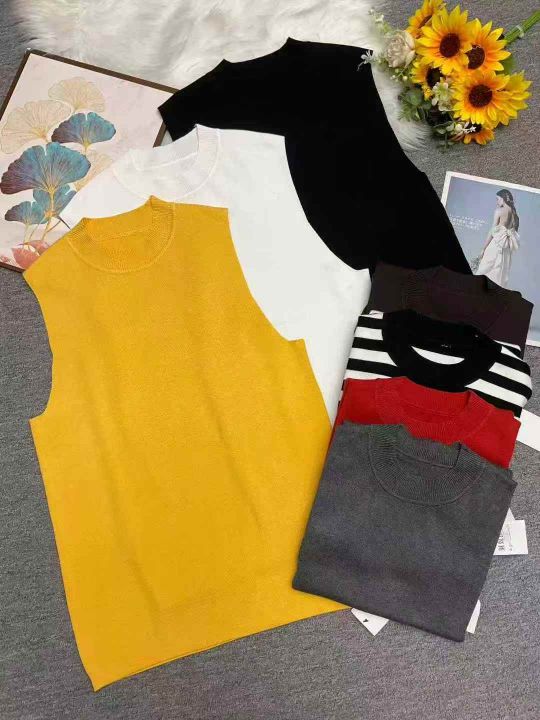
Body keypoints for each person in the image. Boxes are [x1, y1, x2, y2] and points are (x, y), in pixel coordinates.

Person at [477, 189, 520, 287]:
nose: (497, 202)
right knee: (499, 273)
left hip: (496, 244)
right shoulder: (515, 215)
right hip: (506, 248)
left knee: (485, 268)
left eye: (497, 199)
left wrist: (483, 249)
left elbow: (492, 231)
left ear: (503, 198)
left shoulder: (499, 211)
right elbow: (515, 232)